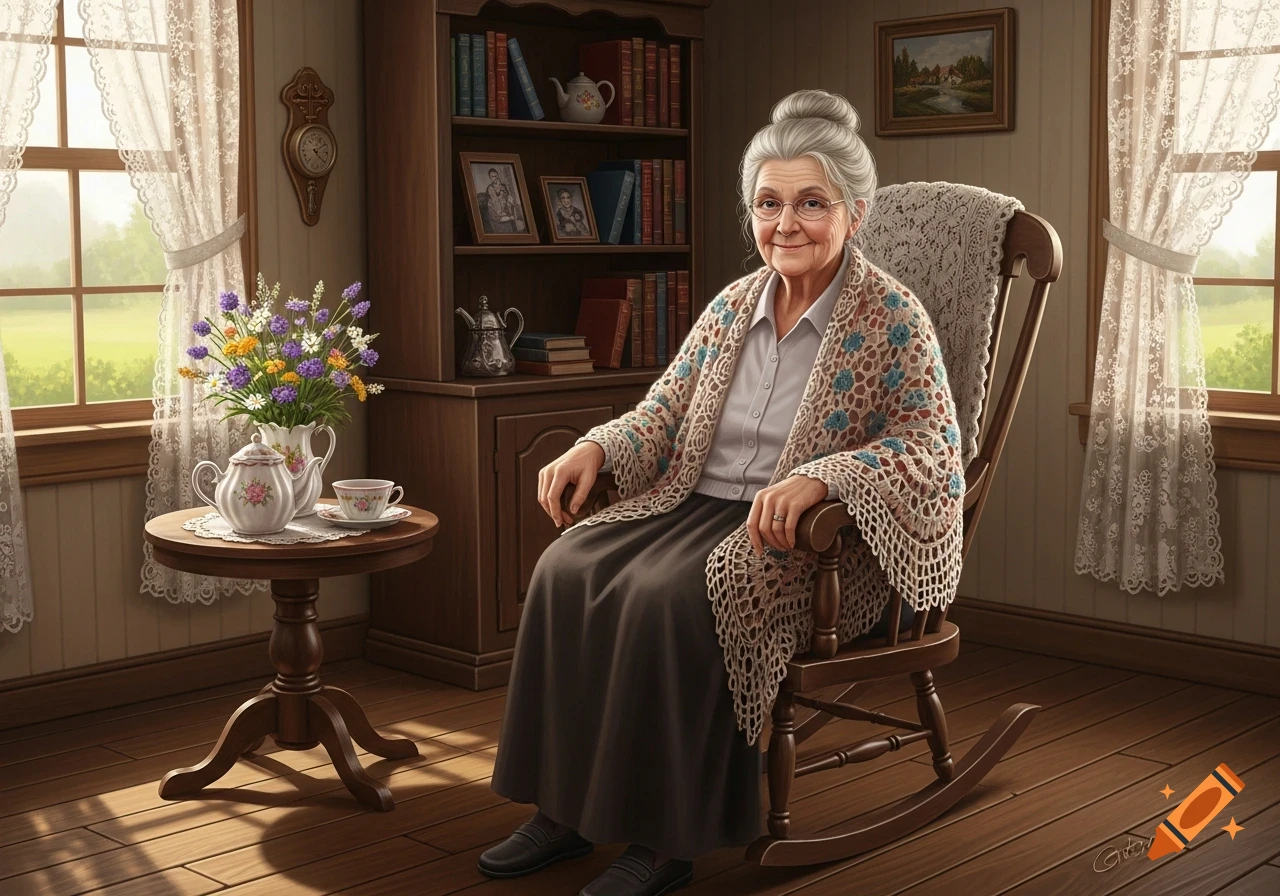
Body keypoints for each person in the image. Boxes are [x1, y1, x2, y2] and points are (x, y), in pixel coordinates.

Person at [481, 89, 966, 896]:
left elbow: (932, 449)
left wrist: (825, 476)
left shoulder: (893, 318)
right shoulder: (731, 307)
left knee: (671, 601)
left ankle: (668, 840)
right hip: (689, 502)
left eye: (811, 204)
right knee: (566, 570)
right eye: (768, 204)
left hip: (804, 538)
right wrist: (598, 444)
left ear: (856, 210)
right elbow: (665, 411)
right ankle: (561, 813)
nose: (786, 225)